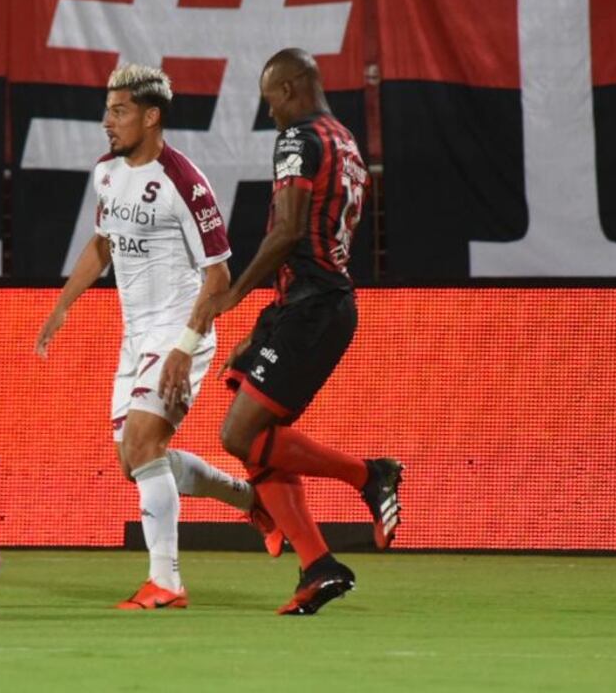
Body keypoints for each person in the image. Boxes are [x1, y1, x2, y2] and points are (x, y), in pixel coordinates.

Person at [36, 64, 281, 611]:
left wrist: (184, 347)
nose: (107, 122)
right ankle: (252, 500)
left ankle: (166, 582)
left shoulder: (185, 184)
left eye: (119, 111)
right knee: (135, 460)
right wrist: (61, 307)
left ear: (151, 117)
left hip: (180, 332)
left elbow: (219, 277)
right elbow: (102, 245)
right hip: (135, 336)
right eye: (107, 110)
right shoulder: (107, 172)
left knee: (144, 446)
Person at [190, 48, 403, 615]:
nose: (271, 116)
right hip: (309, 304)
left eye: (270, 102)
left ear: (288, 89)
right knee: (248, 417)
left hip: (312, 306)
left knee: (239, 436)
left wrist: (232, 296)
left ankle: (368, 475)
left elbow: (287, 231)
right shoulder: (347, 143)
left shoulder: (298, 140)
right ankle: (319, 567)